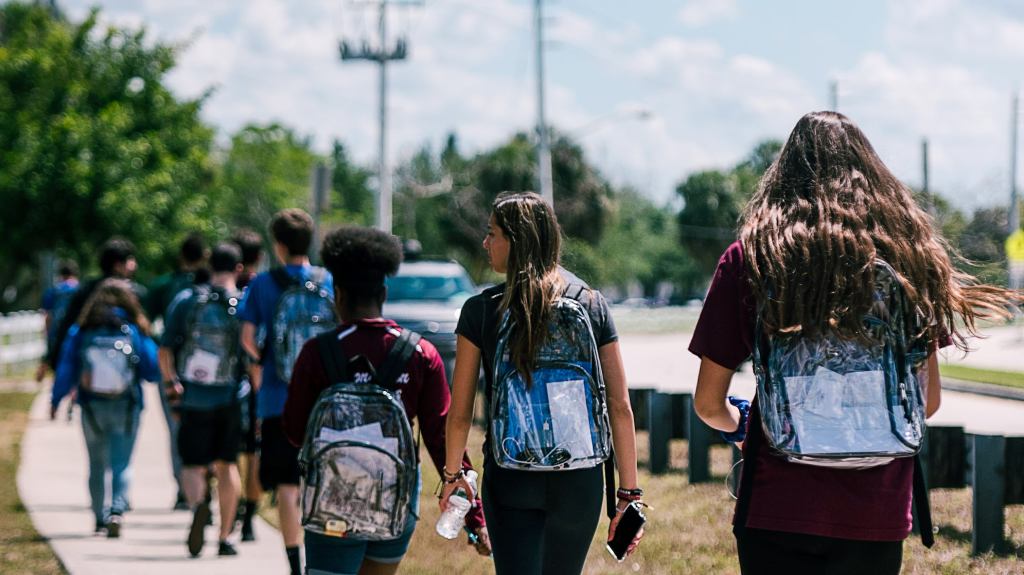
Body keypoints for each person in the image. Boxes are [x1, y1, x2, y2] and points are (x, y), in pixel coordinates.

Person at [689, 111, 1021, 575]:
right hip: (877, 510)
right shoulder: (909, 258)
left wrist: (740, 426)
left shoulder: (752, 257)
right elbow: (926, 403)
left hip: (776, 505)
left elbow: (708, 403)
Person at [441, 191, 645, 575]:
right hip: (579, 479)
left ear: (516, 241)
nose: (485, 243)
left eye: (493, 234)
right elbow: (620, 406)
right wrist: (628, 494)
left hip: (510, 475)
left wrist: (453, 477)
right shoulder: (592, 304)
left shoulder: (480, 310)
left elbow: (460, 414)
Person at [282, 225, 490, 575]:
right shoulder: (420, 353)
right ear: (383, 292)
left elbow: (293, 430)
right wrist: (475, 516)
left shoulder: (317, 353)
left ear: (339, 294)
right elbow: (442, 439)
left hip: (331, 501)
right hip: (396, 499)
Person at [238, 208, 334, 575]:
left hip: (278, 401)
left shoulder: (262, 285)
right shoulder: (328, 280)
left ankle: (295, 564)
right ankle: (323, 556)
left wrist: (263, 360)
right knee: (320, 483)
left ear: (278, 246)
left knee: (287, 487)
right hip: (323, 401)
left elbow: (247, 338)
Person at [51, 278, 160, 537]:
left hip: (91, 405)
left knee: (96, 464)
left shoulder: (82, 331)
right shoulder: (133, 329)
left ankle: (99, 517)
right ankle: (117, 511)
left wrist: (56, 400)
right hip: (126, 405)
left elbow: (66, 368)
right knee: (122, 463)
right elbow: (152, 370)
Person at [159, 243, 246, 558]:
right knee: (227, 466)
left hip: (194, 395)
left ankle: (198, 506)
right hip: (231, 396)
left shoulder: (187, 300)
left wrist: (172, 386)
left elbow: (165, 349)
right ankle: (225, 537)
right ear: (239, 268)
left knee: (193, 465)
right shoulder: (243, 303)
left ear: (209, 265)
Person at [147, 233, 210, 510]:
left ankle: (184, 489)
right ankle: (205, 486)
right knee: (208, 426)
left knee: (176, 431)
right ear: (204, 256)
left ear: (181, 256)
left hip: (172, 368)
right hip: (206, 371)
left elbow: (145, 323)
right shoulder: (210, 286)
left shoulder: (164, 286)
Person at [49, 237, 146, 371]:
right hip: (126, 370)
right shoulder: (135, 293)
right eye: (130, 260)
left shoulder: (85, 290)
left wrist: (53, 359)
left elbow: (67, 325)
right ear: (118, 265)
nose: (134, 265)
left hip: (88, 368)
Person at [231, 227, 265, 541]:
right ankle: (249, 520)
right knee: (255, 451)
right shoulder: (263, 288)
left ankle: (226, 507)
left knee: (226, 453)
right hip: (258, 378)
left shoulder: (225, 286)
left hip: (226, 381)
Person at [36, 260, 80, 382]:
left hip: (57, 335)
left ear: (61, 274)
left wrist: (47, 334)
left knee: (59, 367)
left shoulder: (53, 291)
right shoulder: (80, 290)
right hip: (77, 333)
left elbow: (48, 316)